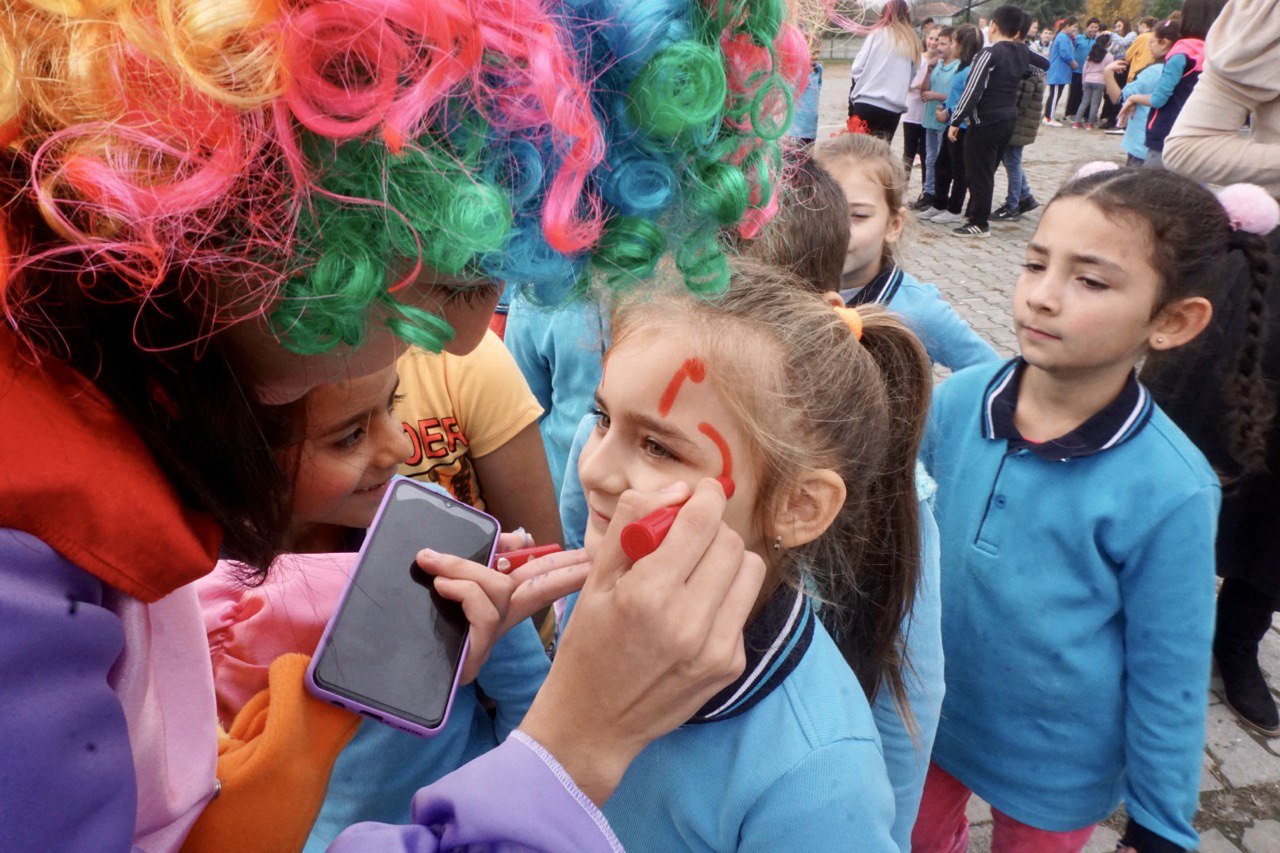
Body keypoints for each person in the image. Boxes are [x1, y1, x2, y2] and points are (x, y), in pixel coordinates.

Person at [0, 0, 811, 847]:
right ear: (271, 185)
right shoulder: (26, 543)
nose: (463, 338)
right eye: (459, 277)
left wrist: (318, 717)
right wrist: (571, 752)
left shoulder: (82, 412)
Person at [915, 165, 1274, 852]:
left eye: (1090, 279)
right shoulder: (958, 403)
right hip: (934, 716)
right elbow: (901, 537)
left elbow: (1167, 671)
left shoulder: (1171, 488)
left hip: (1059, 766)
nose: (1041, 298)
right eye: (1034, 263)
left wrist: (1161, 821)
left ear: (1172, 320)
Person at [567, 262, 929, 849]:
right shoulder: (604, 599)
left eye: (658, 447)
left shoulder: (817, 776)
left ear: (799, 507)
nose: (593, 468)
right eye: (603, 418)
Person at [193, 357, 558, 850]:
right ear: (240, 452)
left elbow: (532, 711)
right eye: (349, 437)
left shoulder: (434, 541)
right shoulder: (195, 600)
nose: (402, 446)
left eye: (393, 404)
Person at [1155, 0, 1280, 736]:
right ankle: (1149, 613)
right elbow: (1189, 147)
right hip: (1267, 280)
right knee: (1207, 448)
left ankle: (1239, 639)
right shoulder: (1265, 18)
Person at [815, 133, 998, 371]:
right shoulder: (787, 291)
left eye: (858, 215)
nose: (837, 230)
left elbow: (991, 372)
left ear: (894, 225)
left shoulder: (917, 310)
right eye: (820, 210)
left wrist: (943, 406)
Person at [945, 6, 1049, 238]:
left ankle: (979, 223)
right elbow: (1043, 65)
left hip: (985, 121)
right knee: (987, 171)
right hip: (1008, 119)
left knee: (977, 173)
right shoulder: (1021, 52)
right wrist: (1020, 74)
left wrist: (956, 119)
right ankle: (974, 213)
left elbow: (973, 90)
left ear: (993, 26)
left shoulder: (988, 54)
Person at [1120, 0, 1227, 168]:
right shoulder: (1217, 53)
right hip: (1200, 137)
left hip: (1167, 135)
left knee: (1152, 190)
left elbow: (1158, 99)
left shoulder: (1181, 53)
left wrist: (1134, 97)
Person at [922, 23, 982, 226]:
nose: (950, 45)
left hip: (963, 127)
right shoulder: (963, 66)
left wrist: (949, 111)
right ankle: (938, 204)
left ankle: (955, 209)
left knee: (959, 170)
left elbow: (968, 98)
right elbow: (956, 96)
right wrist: (946, 109)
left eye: (954, 41)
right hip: (951, 122)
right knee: (942, 165)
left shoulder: (972, 69)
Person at [993, 11, 1045, 223]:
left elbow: (1019, 100)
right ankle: (1025, 196)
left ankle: (1012, 205)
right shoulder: (1027, 58)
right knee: (1012, 160)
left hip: (1018, 123)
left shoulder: (1025, 62)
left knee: (1013, 162)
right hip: (1019, 122)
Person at [1104, 21, 1178, 165]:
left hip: (1141, 144)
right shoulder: (1181, 71)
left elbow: (1119, 97)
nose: (1150, 46)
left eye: (1152, 42)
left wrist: (1108, 72)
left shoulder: (1154, 72)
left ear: (1164, 43)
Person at [847, 0, 922, 139]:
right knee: (880, 157)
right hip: (892, 109)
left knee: (857, 154)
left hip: (866, 102)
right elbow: (912, 75)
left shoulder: (877, 34)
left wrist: (863, 84)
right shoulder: (913, 41)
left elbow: (857, 68)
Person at [915, 26, 960, 212]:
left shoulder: (957, 67)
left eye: (943, 43)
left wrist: (936, 95)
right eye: (938, 42)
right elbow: (924, 89)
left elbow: (955, 96)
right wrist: (928, 69)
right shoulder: (937, 65)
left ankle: (942, 195)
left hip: (944, 120)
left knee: (942, 160)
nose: (939, 46)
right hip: (930, 119)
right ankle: (929, 192)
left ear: (953, 45)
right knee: (930, 158)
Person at [902, 26, 940, 202]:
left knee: (928, 154)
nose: (933, 42)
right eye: (931, 38)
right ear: (926, 38)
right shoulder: (917, 59)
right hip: (912, 113)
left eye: (937, 39)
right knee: (908, 153)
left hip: (930, 114)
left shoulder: (942, 62)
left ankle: (927, 191)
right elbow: (905, 81)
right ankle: (902, 191)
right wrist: (914, 85)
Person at [1072, 33, 1112, 129]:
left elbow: (1085, 68)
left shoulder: (1091, 53)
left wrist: (1084, 80)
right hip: (1100, 81)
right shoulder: (1109, 56)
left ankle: (1076, 122)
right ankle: (1090, 123)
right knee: (1095, 103)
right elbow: (1109, 70)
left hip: (1088, 79)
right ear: (1107, 44)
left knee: (1084, 102)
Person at [1044, 17, 1079, 125]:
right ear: (1067, 26)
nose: (1075, 29)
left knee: (1056, 94)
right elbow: (1064, 53)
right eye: (1074, 27)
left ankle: (1050, 115)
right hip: (1057, 72)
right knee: (1054, 95)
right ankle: (1049, 118)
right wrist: (1073, 63)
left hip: (1061, 72)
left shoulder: (1065, 37)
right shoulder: (1062, 37)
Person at [1064, 17, 1100, 120]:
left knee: (1087, 94)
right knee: (1075, 92)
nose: (1093, 29)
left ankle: (1085, 115)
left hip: (1090, 72)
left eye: (1096, 27)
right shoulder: (1078, 38)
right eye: (1091, 27)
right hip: (1077, 70)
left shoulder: (1098, 41)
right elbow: (1071, 50)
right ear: (1087, 27)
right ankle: (1070, 113)